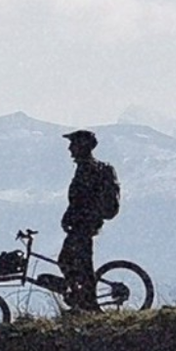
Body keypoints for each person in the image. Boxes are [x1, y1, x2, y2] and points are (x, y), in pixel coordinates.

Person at [57, 129, 120, 312]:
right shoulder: (87, 168)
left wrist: (70, 216)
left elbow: (80, 200)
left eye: (73, 144)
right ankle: (81, 298)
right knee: (76, 261)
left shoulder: (87, 169)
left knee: (76, 262)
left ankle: (88, 303)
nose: (70, 149)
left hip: (83, 223)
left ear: (82, 146)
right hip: (85, 222)